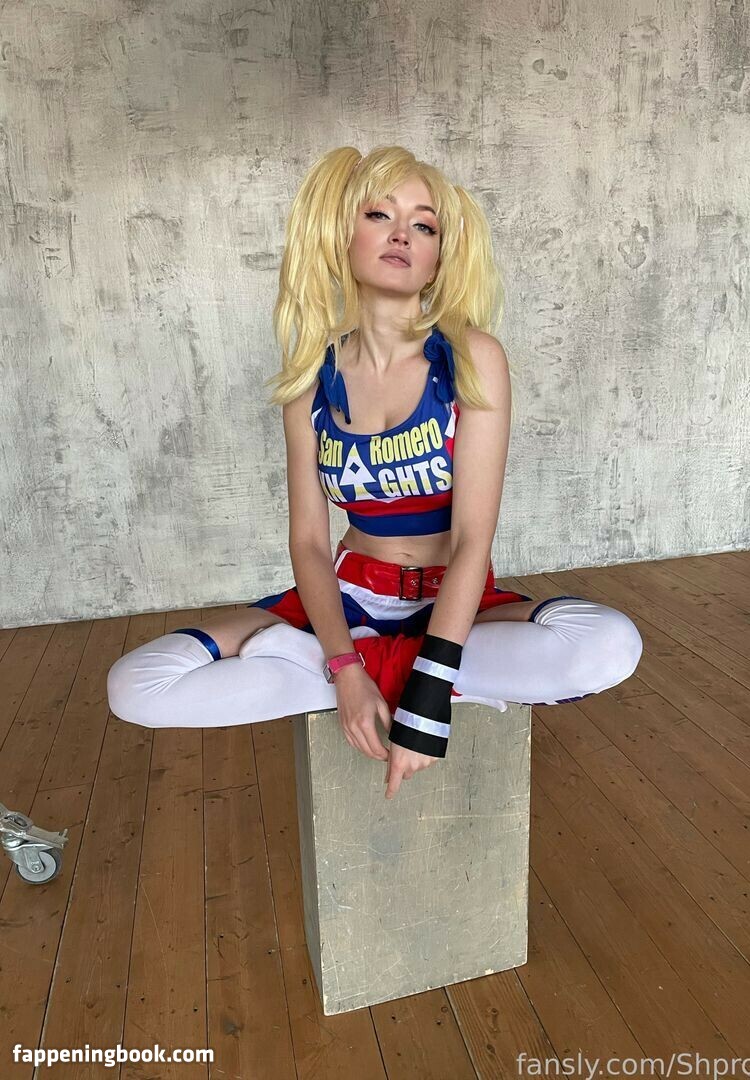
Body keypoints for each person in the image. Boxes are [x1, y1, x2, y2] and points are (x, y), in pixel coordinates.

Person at [107, 145, 643, 800]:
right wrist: (344, 666)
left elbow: (473, 540)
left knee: (609, 643)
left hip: (455, 604)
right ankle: (361, 672)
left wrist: (426, 698)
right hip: (348, 601)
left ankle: (387, 669)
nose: (402, 234)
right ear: (343, 235)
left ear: (440, 255)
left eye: (424, 224)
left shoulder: (472, 359)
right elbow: (308, 542)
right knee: (136, 685)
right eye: (380, 215)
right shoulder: (311, 380)